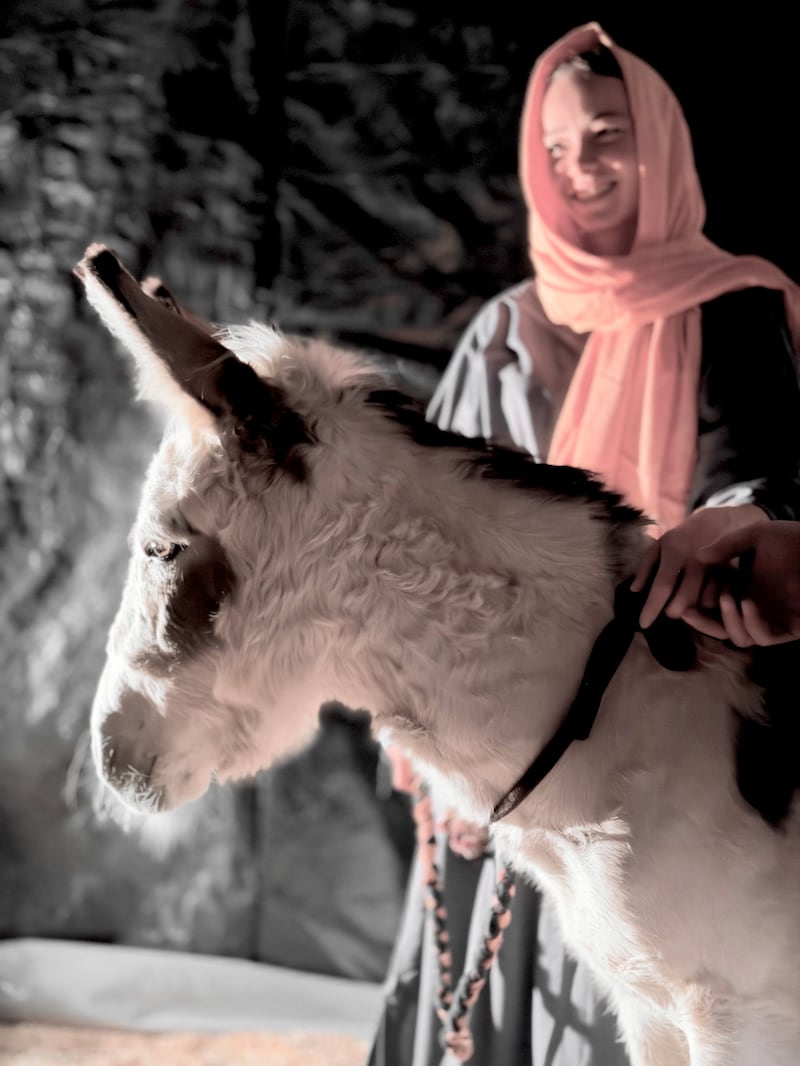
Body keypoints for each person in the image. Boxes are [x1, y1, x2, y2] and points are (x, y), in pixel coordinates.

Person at [368, 21, 800, 1066]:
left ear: (658, 138)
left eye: (604, 135)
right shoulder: (505, 328)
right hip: (505, 731)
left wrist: (736, 520)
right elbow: (431, 541)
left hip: (676, 748)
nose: (580, 168)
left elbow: (765, 473)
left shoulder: (734, 306)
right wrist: (435, 754)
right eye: (555, 150)